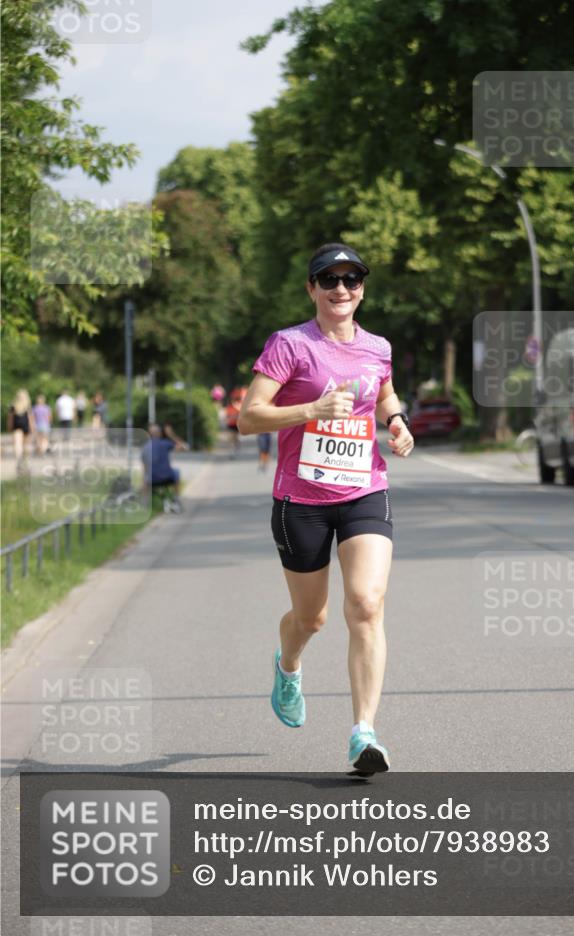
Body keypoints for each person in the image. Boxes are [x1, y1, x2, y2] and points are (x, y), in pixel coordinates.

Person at [238, 242, 414, 775]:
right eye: (329, 280)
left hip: (363, 488)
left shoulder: (377, 346)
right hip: (301, 500)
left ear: (363, 288)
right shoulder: (290, 345)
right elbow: (249, 418)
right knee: (310, 618)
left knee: (366, 604)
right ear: (312, 288)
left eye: (352, 280)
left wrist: (397, 420)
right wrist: (312, 408)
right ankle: (288, 664)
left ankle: (364, 734)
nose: (342, 289)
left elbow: (381, 392)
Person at [140, 423, 188, 511]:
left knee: (145, 477)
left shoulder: (145, 447)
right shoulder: (165, 444)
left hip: (152, 480)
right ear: (160, 433)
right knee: (176, 472)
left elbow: (145, 468)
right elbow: (184, 447)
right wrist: (171, 434)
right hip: (167, 478)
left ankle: (145, 505)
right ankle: (176, 499)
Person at [8, 388, 35, 463]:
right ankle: (25, 458)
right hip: (25, 425)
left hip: (17, 426)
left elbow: (10, 418)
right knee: (25, 444)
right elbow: (30, 418)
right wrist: (32, 427)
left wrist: (9, 426)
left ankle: (18, 458)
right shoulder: (27, 406)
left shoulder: (13, 406)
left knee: (17, 443)